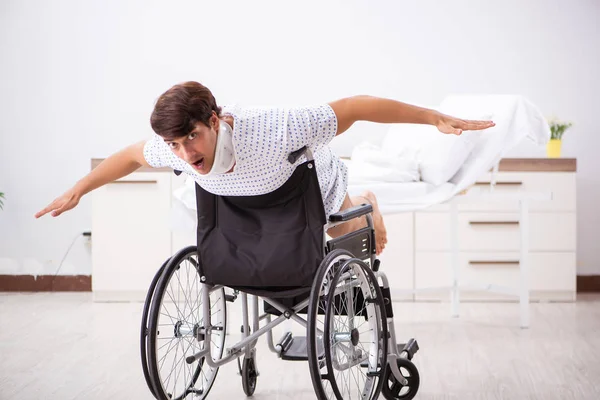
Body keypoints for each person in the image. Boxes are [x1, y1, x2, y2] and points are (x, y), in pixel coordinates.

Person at [35, 81, 494, 255]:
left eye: (192, 137)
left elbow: (355, 105)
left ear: (214, 122)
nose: (185, 154)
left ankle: (366, 202)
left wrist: (433, 117)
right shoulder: (173, 148)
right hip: (251, 203)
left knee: (367, 249)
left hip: (312, 187)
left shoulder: (276, 128)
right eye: (174, 145)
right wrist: (81, 187)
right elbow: (132, 156)